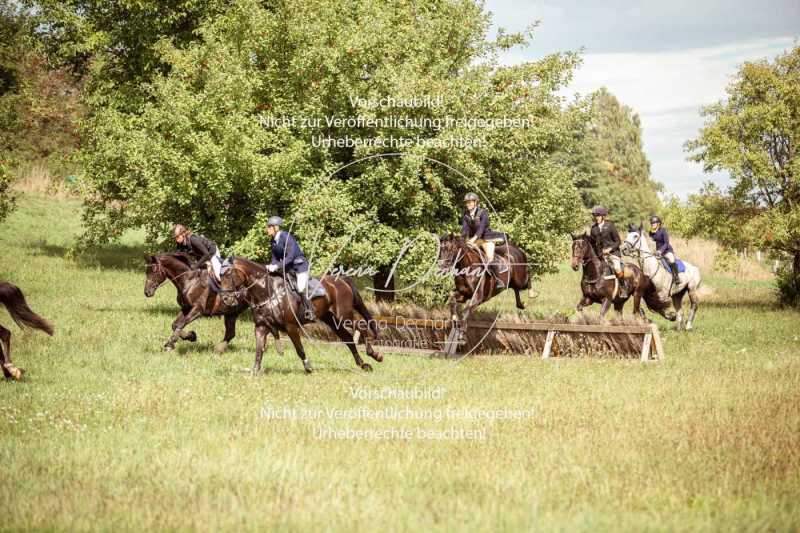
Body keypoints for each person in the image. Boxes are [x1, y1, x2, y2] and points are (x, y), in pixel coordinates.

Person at [265, 216, 315, 322]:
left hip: (299, 267)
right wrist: (270, 266)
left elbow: (291, 256)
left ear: (276, 227)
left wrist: (277, 266)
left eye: (270, 227)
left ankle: (309, 310)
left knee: (300, 288)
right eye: (268, 227)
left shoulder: (286, 236)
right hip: (287, 269)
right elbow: (274, 258)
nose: (267, 229)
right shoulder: (273, 241)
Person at [461, 192, 507, 287]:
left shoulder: (483, 213)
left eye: (470, 202)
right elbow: (465, 229)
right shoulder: (466, 215)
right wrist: (462, 240)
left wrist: (473, 239)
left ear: (475, 202)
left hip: (487, 239)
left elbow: (481, 229)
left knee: (490, 258)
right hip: (475, 240)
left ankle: (498, 280)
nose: (468, 204)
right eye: (467, 202)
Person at [589, 206, 628, 298]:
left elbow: (618, 241)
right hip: (600, 254)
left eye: (598, 216)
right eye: (595, 216)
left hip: (613, 253)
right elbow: (592, 243)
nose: (596, 218)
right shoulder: (593, 228)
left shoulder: (610, 225)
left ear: (603, 216)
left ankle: (623, 288)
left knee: (617, 267)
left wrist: (610, 249)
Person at [649, 215, 680, 286]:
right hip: (656, 252)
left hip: (666, 250)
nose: (652, 224)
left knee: (671, 259)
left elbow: (666, 243)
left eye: (654, 223)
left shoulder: (663, 231)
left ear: (658, 223)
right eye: (652, 223)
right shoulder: (651, 232)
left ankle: (676, 277)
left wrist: (660, 251)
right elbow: (650, 241)